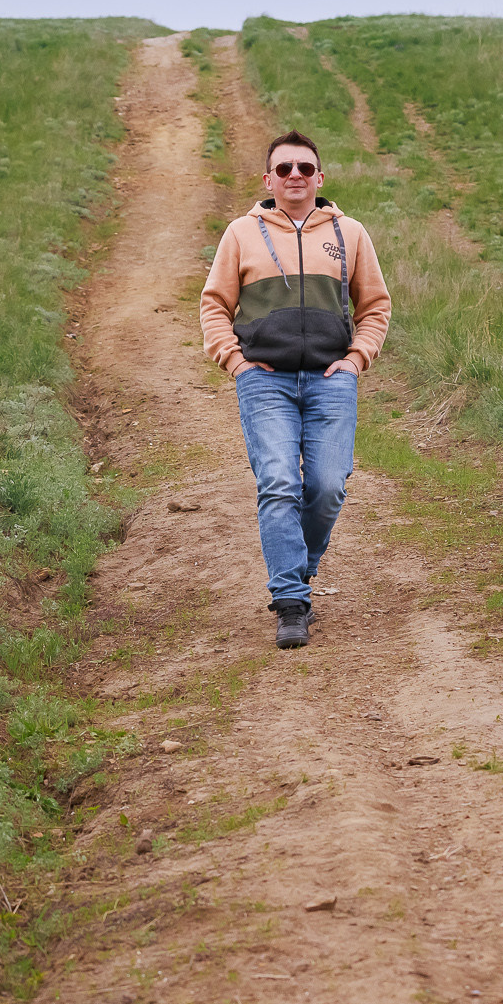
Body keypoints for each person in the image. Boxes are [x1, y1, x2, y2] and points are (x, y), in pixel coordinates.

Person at [199, 130, 392, 649]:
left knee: (327, 486)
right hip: (265, 382)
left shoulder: (350, 234)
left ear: (319, 178)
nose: (294, 177)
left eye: (304, 168)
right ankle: (290, 602)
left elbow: (375, 306)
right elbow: (214, 305)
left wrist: (356, 360)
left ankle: (297, 564)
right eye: (283, 169)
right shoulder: (241, 233)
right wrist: (236, 362)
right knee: (279, 483)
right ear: (269, 180)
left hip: (332, 379)